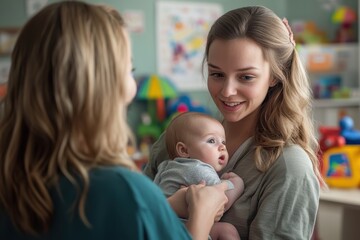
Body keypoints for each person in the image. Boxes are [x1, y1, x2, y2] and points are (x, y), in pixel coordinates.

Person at [0, 2, 229, 240]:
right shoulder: (124, 191)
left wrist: (168, 205)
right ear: (104, 88)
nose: (132, 87)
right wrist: (202, 212)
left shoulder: (14, 181)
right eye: (129, 70)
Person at [144, 6, 324, 240]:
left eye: (246, 77)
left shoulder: (289, 167)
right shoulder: (179, 136)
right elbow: (130, 222)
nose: (227, 92)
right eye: (217, 74)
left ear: (275, 76)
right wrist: (171, 205)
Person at [154, 111, 244, 240]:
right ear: (184, 150)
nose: (222, 147)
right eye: (212, 140)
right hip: (184, 228)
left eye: (223, 142)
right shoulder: (199, 168)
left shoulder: (165, 167)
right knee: (228, 231)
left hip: (160, 227)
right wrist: (237, 184)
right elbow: (220, 202)